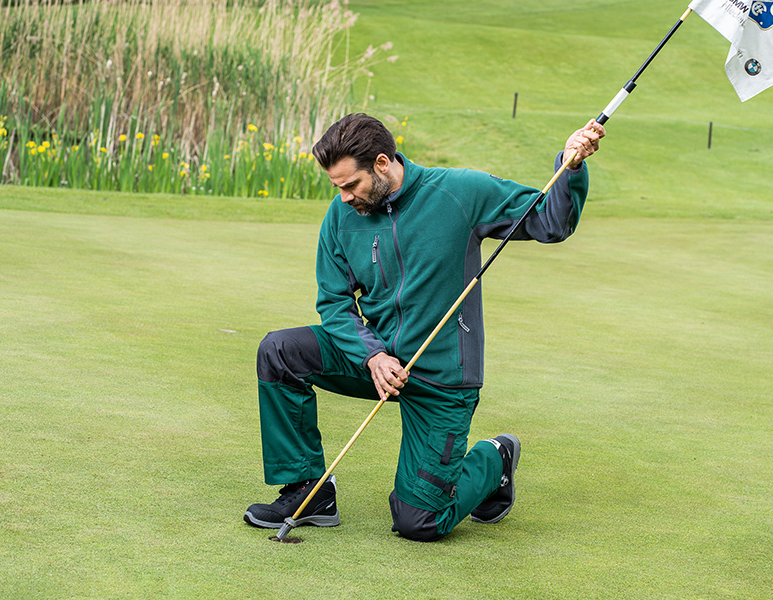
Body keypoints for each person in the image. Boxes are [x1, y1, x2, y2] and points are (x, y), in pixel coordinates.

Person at [244, 113, 605, 541]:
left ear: (382, 163)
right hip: (374, 361)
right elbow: (334, 301)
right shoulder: (341, 217)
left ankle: (496, 458)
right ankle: (309, 491)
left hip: (442, 379)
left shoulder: (460, 192)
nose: (342, 198)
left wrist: (571, 166)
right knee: (280, 350)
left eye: (350, 185)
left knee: (419, 523)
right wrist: (372, 356)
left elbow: (550, 222)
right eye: (336, 187)